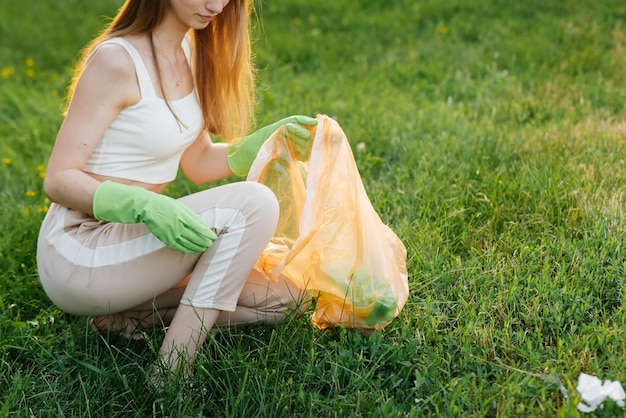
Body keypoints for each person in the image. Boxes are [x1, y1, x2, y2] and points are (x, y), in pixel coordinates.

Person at [36, 0, 317, 382]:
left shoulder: (189, 52)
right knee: (254, 204)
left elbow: (198, 162)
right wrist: (143, 205)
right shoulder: (117, 61)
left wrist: (260, 143)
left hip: (133, 249)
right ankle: (171, 372)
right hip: (79, 250)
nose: (216, 5)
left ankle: (128, 317)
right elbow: (57, 179)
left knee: (287, 298)